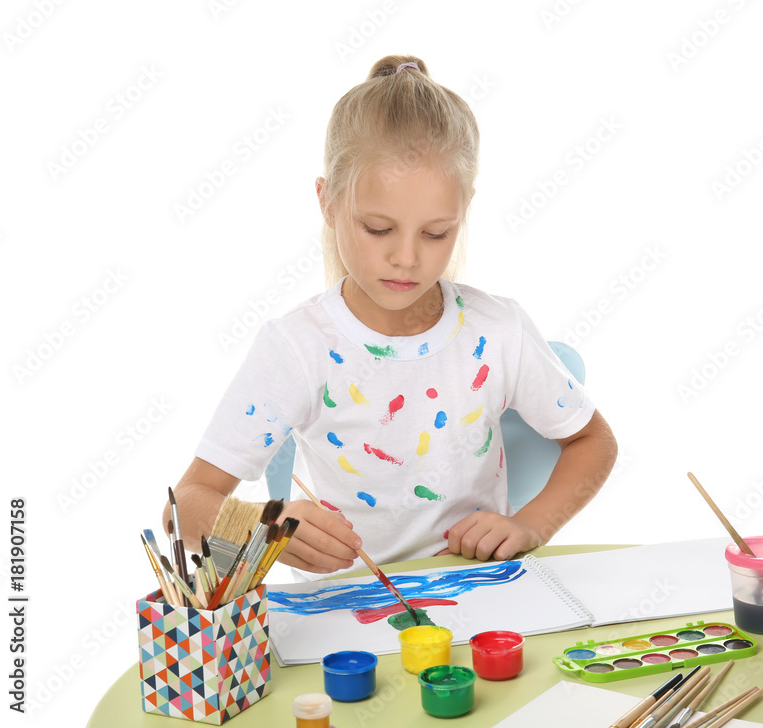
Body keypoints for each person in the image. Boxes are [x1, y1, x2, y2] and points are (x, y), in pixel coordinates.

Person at [162, 55, 617, 579]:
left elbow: (593, 442)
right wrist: (264, 528)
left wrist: (531, 525)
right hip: (341, 613)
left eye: (436, 233)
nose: (406, 258)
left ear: (464, 209)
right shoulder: (298, 347)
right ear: (328, 202)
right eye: (378, 229)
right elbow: (184, 508)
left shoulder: (499, 332)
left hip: (477, 593)